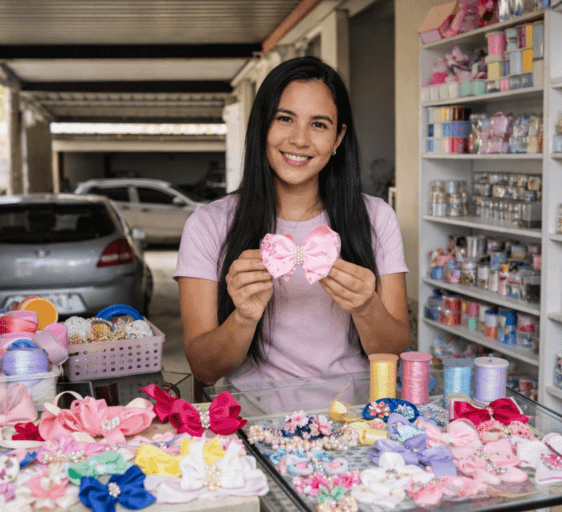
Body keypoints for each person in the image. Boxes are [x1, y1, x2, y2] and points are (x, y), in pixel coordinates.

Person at [175, 56, 409, 387]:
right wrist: (243, 316)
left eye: (319, 124)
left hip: (357, 413)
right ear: (261, 125)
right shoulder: (208, 225)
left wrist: (367, 307)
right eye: (285, 118)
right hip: (254, 415)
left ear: (338, 138)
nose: (299, 140)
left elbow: (396, 353)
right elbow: (204, 369)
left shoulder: (376, 217)